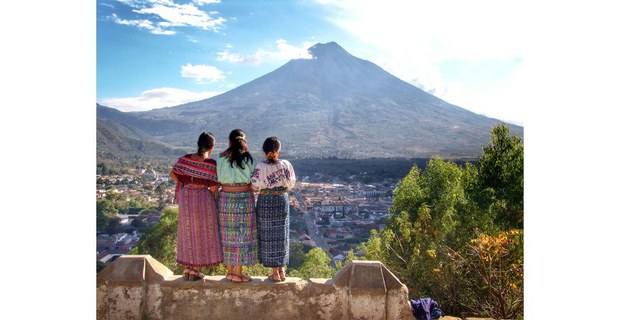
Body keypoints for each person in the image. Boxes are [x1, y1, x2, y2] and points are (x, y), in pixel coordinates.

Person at [169, 131, 223, 281]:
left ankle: (187, 268)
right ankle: (196, 269)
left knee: (187, 231)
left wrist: (185, 184)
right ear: (212, 147)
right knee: (202, 233)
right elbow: (213, 188)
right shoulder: (210, 164)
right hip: (203, 199)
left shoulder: (184, 159)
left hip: (186, 197)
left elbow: (173, 174)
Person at [251, 136, 296, 282]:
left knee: (268, 235)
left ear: (264, 151)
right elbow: (291, 183)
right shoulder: (286, 164)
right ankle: (282, 270)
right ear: (279, 149)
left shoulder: (260, 167)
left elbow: (255, 186)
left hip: (265, 201)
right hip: (282, 200)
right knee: (282, 233)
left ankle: (274, 272)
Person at [217, 129, 258, 283]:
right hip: (244, 199)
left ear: (229, 141)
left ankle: (229, 271)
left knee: (227, 234)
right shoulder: (248, 158)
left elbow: (219, 179)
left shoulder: (221, 158)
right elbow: (253, 181)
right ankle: (238, 273)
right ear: (244, 140)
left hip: (225, 198)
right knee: (242, 234)